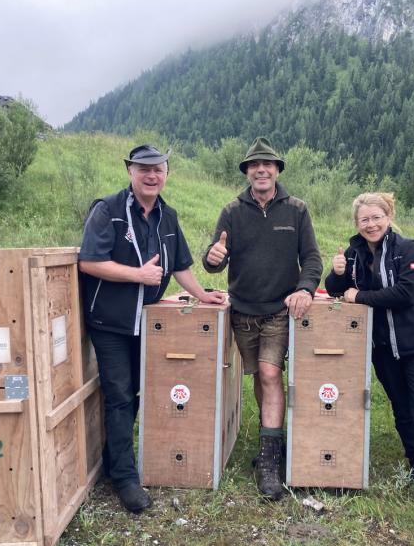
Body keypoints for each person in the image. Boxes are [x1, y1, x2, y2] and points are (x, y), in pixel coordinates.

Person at [79, 144, 226, 514]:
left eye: (158, 169)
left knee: (138, 392)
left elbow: (180, 267)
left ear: (166, 174)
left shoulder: (168, 216)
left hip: (148, 323)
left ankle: (115, 460)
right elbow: (90, 262)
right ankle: (126, 479)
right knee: (119, 394)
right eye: (144, 169)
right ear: (130, 171)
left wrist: (202, 295)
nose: (151, 176)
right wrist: (138, 275)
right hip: (110, 322)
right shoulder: (108, 211)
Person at [203, 137, 322, 500]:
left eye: (268, 165)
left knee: (271, 373)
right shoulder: (232, 211)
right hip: (243, 312)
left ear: (277, 170)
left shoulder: (297, 210)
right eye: (254, 165)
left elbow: (312, 260)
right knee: (260, 377)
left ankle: (269, 467)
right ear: (247, 172)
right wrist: (214, 255)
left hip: (279, 310)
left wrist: (305, 289)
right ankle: (273, 442)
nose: (261, 170)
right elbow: (214, 261)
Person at [324, 192, 414, 513]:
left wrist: (360, 295)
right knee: (402, 410)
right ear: (357, 223)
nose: (371, 224)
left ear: (389, 216)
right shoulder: (354, 252)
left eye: (377, 217)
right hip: (382, 347)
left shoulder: (408, 249)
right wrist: (338, 271)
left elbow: (405, 294)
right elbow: (337, 290)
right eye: (364, 219)